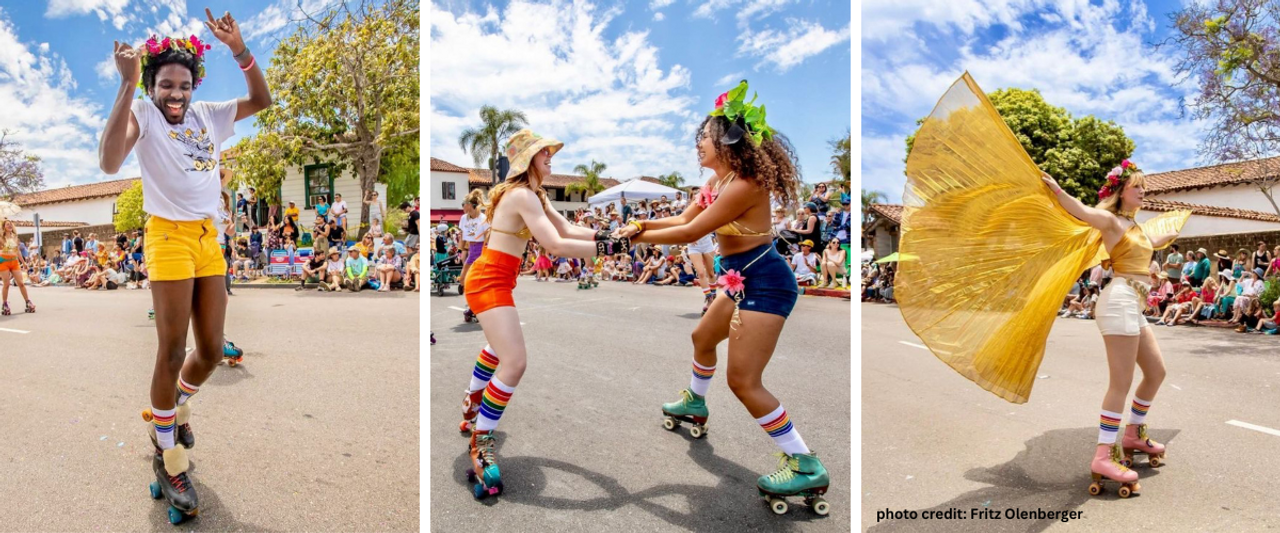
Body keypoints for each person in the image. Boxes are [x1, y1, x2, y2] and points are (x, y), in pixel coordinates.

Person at [613, 80, 831, 507]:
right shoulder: (718, 182)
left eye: (705, 138)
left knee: (744, 381)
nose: (699, 144)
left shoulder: (746, 183)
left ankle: (805, 464)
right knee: (702, 338)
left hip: (765, 283)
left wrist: (634, 240)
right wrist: (639, 226)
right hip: (737, 281)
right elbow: (682, 216)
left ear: (728, 141)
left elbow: (694, 231)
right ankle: (694, 402)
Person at [96, 9, 271, 518]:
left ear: (194, 86)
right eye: (166, 85)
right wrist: (128, 86)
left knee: (213, 350)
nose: (176, 93)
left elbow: (262, 99)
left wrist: (240, 50)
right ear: (153, 86)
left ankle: (167, 410)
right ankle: (168, 456)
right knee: (172, 351)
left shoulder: (208, 115)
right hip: (167, 236)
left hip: (206, 237)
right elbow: (109, 163)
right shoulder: (144, 114)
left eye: (184, 84)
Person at [455, 128, 631, 498]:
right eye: (543, 152)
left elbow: (567, 227)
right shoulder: (520, 194)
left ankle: (472, 403)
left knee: (499, 349)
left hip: (498, 279)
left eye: (550, 151)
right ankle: (480, 440)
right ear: (527, 160)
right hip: (488, 280)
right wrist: (608, 246)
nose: (550, 156)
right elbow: (554, 244)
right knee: (514, 362)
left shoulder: (534, 195)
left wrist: (615, 234)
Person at [1041, 160, 1187, 497]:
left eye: (1144, 187)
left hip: (1134, 304)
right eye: (1137, 186)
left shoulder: (1137, 228)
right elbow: (1080, 211)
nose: (1143, 192)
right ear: (1121, 191)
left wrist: (1179, 224)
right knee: (1120, 382)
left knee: (1156, 372)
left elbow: (1158, 237)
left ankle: (1133, 434)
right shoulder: (1110, 221)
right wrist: (1057, 190)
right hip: (1118, 302)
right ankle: (1103, 455)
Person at [0, 219, 35, 315]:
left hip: (14, 262)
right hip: (4, 262)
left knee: (21, 283)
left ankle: (28, 301)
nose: (10, 226)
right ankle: (5, 304)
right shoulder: (1, 238)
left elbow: (17, 251)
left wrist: (23, 262)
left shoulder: (15, 237)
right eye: (7, 225)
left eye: (10, 224)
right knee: (6, 284)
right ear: (4, 227)